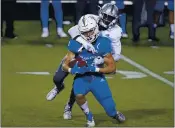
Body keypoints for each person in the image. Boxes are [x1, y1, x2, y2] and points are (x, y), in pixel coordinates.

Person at [46, 3, 123, 120]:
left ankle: (68, 106)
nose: (106, 19)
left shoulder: (116, 31)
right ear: (100, 13)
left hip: (93, 59)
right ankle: (58, 87)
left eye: (110, 17)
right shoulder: (91, 19)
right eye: (105, 15)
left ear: (116, 19)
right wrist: (85, 43)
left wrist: (101, 59)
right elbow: (72, 30)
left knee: (79, 83)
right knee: (58, 77)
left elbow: (116, 54)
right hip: (77, 52)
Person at [62, 15, 125, 127]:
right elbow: (65, 65)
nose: (88, 35)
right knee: (78, 94)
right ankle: (89, 118)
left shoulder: (103, 43)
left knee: (110, 109)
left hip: (97, 78)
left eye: (90, 31)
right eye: (85, 32)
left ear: (95, 28)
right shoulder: (75, 43)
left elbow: (112, 68)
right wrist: (72, 69)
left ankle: (114, 114)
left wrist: (95, 68)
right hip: (81, 78)